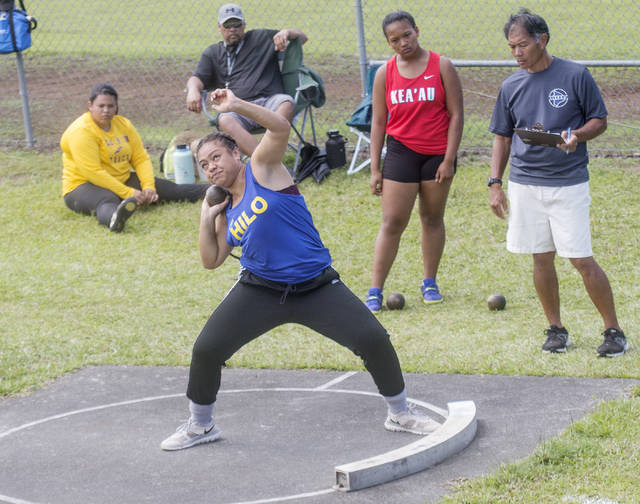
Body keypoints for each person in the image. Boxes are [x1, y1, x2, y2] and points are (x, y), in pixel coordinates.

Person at [160, 88, 439, 451]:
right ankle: (200, 425)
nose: (212, 166)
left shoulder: (264, 169)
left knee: (373, 340)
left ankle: (400, 413)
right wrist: (205, 219)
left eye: (217, 156)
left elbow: (279, 129)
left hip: (315, 286)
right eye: (205, 164)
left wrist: (236, 107)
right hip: (260, 289)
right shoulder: (226, 208)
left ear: (235, 153)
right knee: (207, 349)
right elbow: (211, 260)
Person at [488, 8, 629, 357]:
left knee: (581, 259)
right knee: (541, 257)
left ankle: (614, 331)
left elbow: (600, 120)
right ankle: (556, 328)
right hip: (525, 183)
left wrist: (577, 136)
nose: (517, 53)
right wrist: (494, 182)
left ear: (542, 40)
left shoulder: (575, 75)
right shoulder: (511, 85)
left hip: (568, 183)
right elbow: (502, 138)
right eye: (511, 47)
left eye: (522, 45)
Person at [364, 11, 464, 312]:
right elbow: (379, 122)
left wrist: (448, 159)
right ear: (388, 43)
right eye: (395, 39)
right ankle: (375, 290)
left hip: (437, 155)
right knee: (392, 221)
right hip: (401, 153)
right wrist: (374, 168)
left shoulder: (441, 65)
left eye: (407, 35)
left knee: (431, 218)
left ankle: (429, 281)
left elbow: (457, 115)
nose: (403, 42)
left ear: (416, 31)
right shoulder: (385, 73)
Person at [61, 83, 208, 233]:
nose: (106, 110)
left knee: (169, 189)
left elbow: (140, 158)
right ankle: (115, 219)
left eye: (111, 106)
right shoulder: (81, 131)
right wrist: (128, 193)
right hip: (83, 186)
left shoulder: (124, 124)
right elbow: (92, 172)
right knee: (107, 199)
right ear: (90, 106)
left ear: (116, 107)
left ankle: (214, 191)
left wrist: (148, 186)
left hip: (120, 179)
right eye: (101, 106)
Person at [185, 3, 307, 156]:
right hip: (236, 107)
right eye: (227, 25)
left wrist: (287, 33)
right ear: (219, 27)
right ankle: (264, 161)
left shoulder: (262, 38)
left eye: (236, 24)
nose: (232, 29)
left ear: (244, 25)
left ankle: (269, 160)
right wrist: (193, 91)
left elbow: (302, 38)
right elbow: (197, 78)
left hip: (269, 102)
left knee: (287, 104)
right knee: (225, 120)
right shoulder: (213, 53)